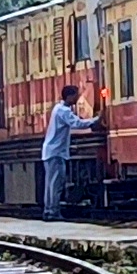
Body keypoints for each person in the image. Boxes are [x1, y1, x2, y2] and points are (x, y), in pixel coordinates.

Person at [39, 85, 82, 219]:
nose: (78, 97)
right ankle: (53, 212)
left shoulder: (57, 108)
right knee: (56, 183)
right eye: (76, 95)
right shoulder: (64, 111)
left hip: (50, 151)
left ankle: (48, 210)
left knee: (50, 183)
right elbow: (77, 124)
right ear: (69, 96)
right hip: (56, 153)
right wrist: (95, 121)